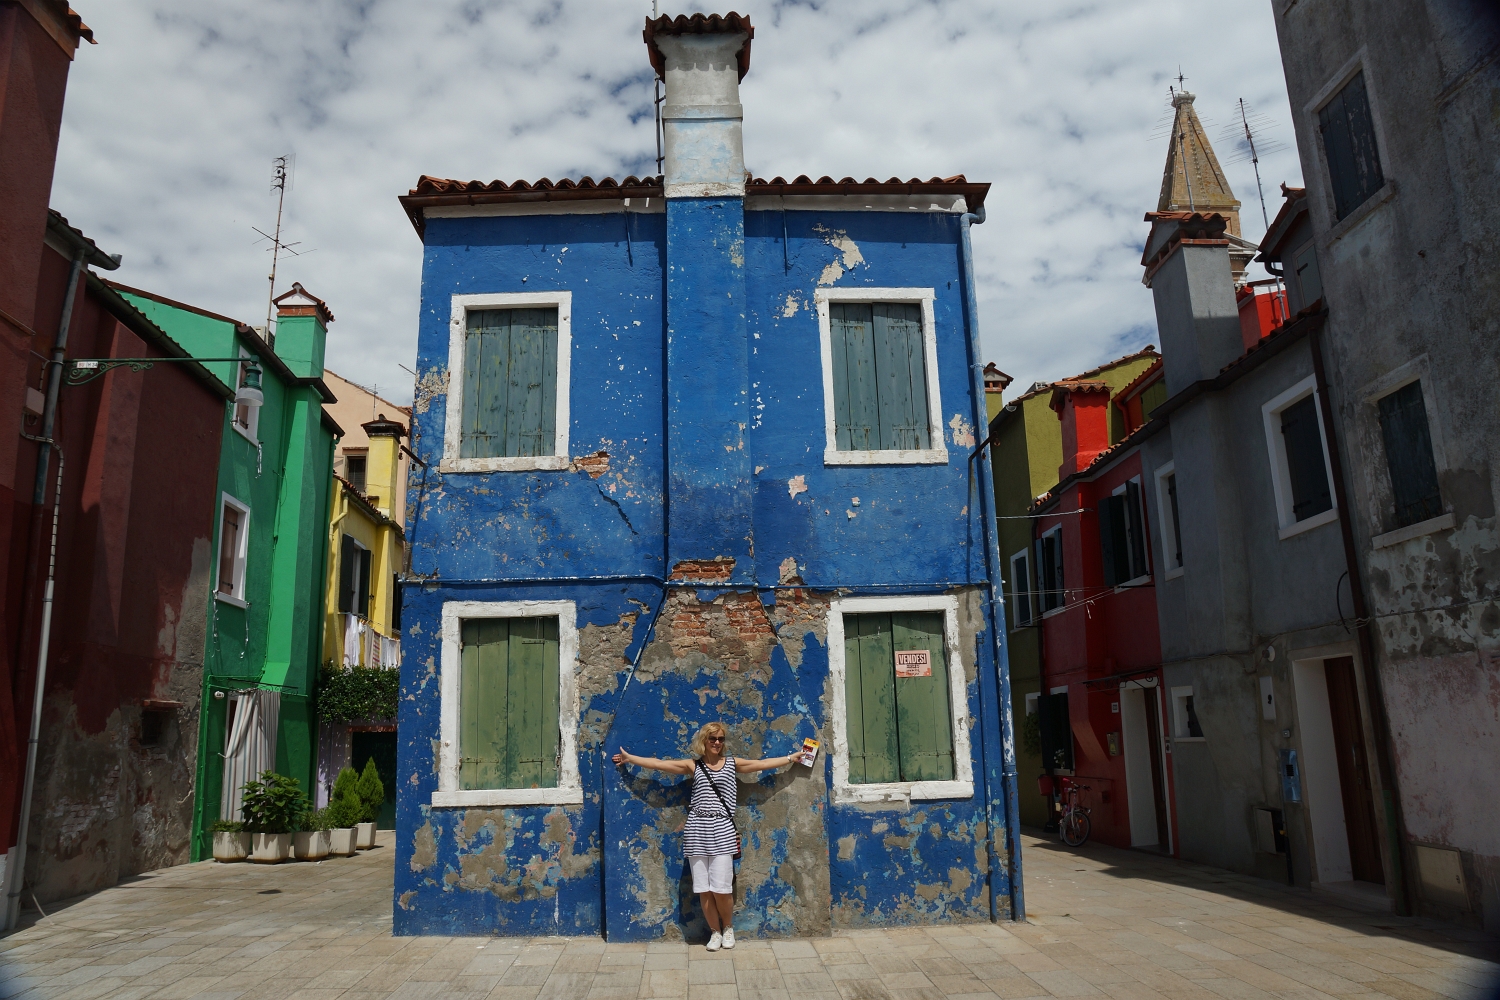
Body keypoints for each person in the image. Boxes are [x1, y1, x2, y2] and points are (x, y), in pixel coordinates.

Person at [612, 721, 799, 951]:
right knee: (704, 888)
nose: (717, 743)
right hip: (697, 831)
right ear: (704, 740)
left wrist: (791, 758)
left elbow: (761, 765)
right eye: (713, 738)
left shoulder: (732, 764)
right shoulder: (693, 765)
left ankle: (728, 928)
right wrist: (630, 759)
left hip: (722, 829)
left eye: (720, 739)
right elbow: (659, 765)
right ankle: (715, 932)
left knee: (722, 888)